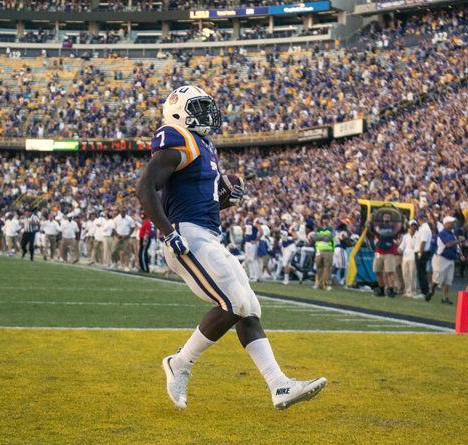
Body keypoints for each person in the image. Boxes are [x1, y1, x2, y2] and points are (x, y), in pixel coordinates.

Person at [136, 85, 326, 411]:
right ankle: (180, 363)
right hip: (187, 236)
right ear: (179, 112)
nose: (206, 113)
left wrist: (223, 199)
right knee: (235, 302)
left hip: (208, 235)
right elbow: (144, 189)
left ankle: (279, 385)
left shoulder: (204, 145)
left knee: (249, 307)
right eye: (197, 107)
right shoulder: (176, 136)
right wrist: (167, 233)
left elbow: (194, 200)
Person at [428, 216, 461, 304]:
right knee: (437, 278)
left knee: (448, 280)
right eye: (451, 223)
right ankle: (431, 290)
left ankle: (444, 297)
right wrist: (459, 240)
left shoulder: (452, 234)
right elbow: (448, 244)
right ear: (446, 223)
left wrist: (460, 254)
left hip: (451, 259)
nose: (453, 224)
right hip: (441, 258)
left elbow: (456, 247)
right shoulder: (442, 233)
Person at [313, 214, 334, 291]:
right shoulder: (318, 229)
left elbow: (331, 237)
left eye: (326, 219)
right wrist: (324, 237)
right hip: (319, 250)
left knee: (327, 268)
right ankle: (319, 284)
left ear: (329, 220)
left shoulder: (331, 229)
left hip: (328, 250)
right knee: (319, 268)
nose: (325, 221)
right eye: (324, 219)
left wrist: (320, 237)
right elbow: (315, 237)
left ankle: (326, 284)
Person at [398, 220, 419, 298]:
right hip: (405, 257)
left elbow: (418, 246)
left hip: (413, 257)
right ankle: (407, 291)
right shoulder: (405, 236)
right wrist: (399, 249)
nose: (413, 227)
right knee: (405, 274)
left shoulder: (418, 235)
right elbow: (402, 246)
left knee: (412, 274)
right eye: (411, 226)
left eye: (414, 226)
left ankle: (413, 291)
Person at [415, 213, 433, 298]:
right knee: (421, 272)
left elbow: (423, 242)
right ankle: (424, 290)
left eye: (418, 219)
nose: (418, 221)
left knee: (421, 273)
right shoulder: (423, 228)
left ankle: (424, 292)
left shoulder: (425, 228)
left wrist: (420, 253)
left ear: (421, 219)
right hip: (423, 252)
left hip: (422, 252)